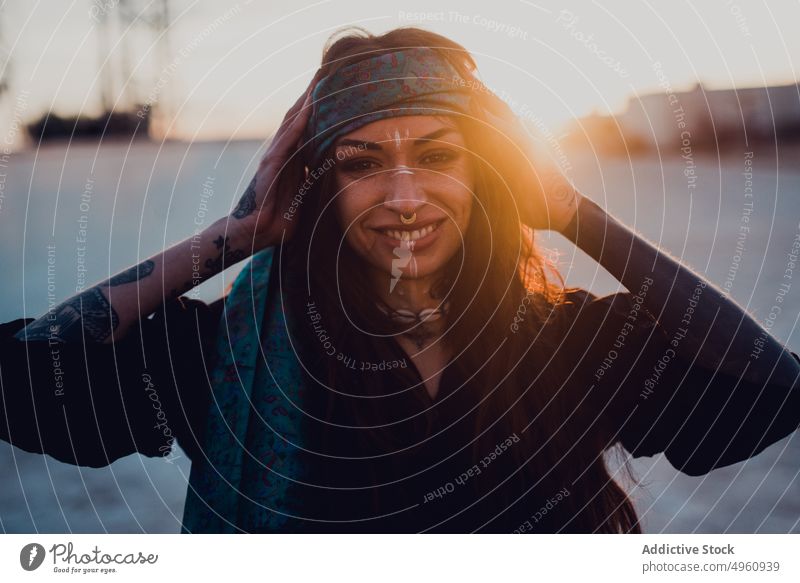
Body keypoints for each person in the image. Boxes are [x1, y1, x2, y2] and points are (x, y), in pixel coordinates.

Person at [2, 27, 799, 534]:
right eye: (362, 162)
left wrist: (573, 213)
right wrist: (235, 236)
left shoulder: (565, 344)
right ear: (318, 189)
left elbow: (771, 388)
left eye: (441, 155)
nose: (405, 196)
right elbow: (22, 379)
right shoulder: (227, 360)